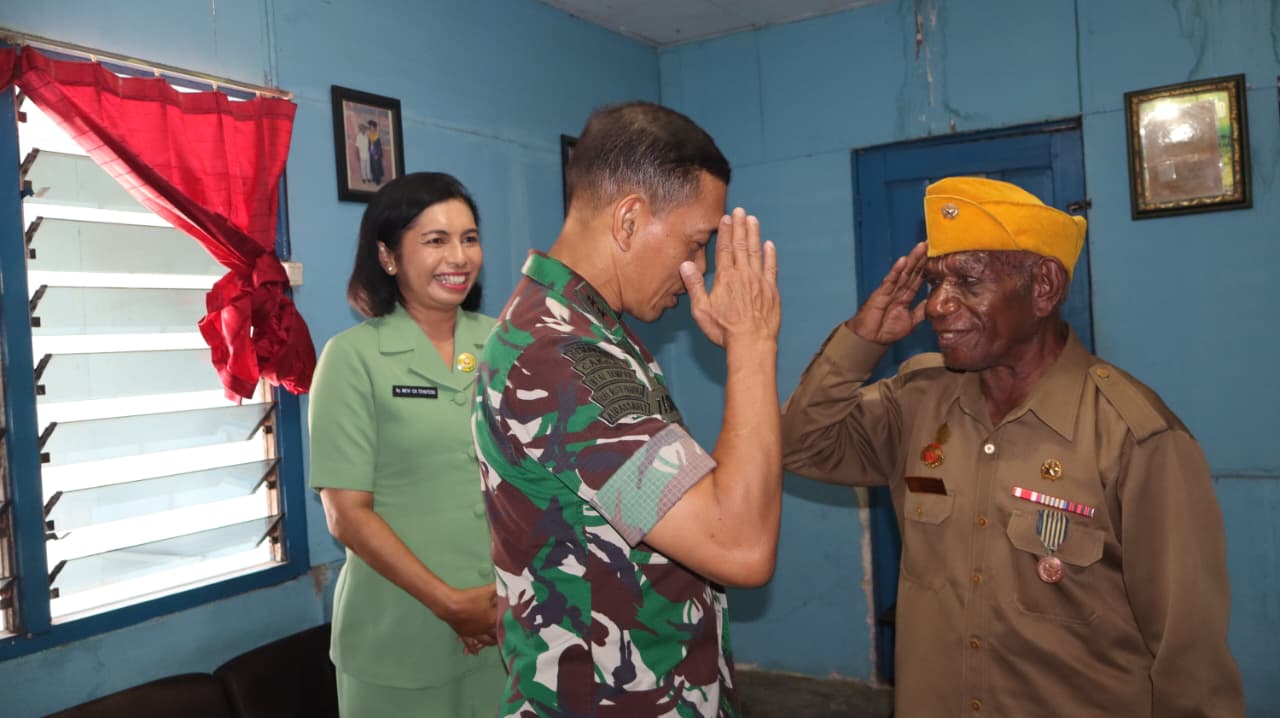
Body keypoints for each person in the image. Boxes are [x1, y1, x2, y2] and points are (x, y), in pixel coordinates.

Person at [780, 176, 1244, 717]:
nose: (937, 305)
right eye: (934, 282)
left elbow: (1190, 659)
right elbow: (801, 445)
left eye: (967, 281)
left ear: (1044, 286)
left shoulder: (1134, 437)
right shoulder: (918, 401)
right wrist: (860, 343)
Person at [471, 101, 782, 717]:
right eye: (696, 242)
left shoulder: (590, 333)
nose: (699, 269)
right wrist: (753, 345)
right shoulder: (557, 357)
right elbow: (739, 543)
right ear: (630, 220)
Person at [309, 171, 505, 717]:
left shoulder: (505, 344)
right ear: (388, 256)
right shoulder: (352, 358)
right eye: (435, 240)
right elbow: (346, 514)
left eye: (469, 238)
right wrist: (451, 605)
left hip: (503, 628)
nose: (458, 257)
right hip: (396, 637)